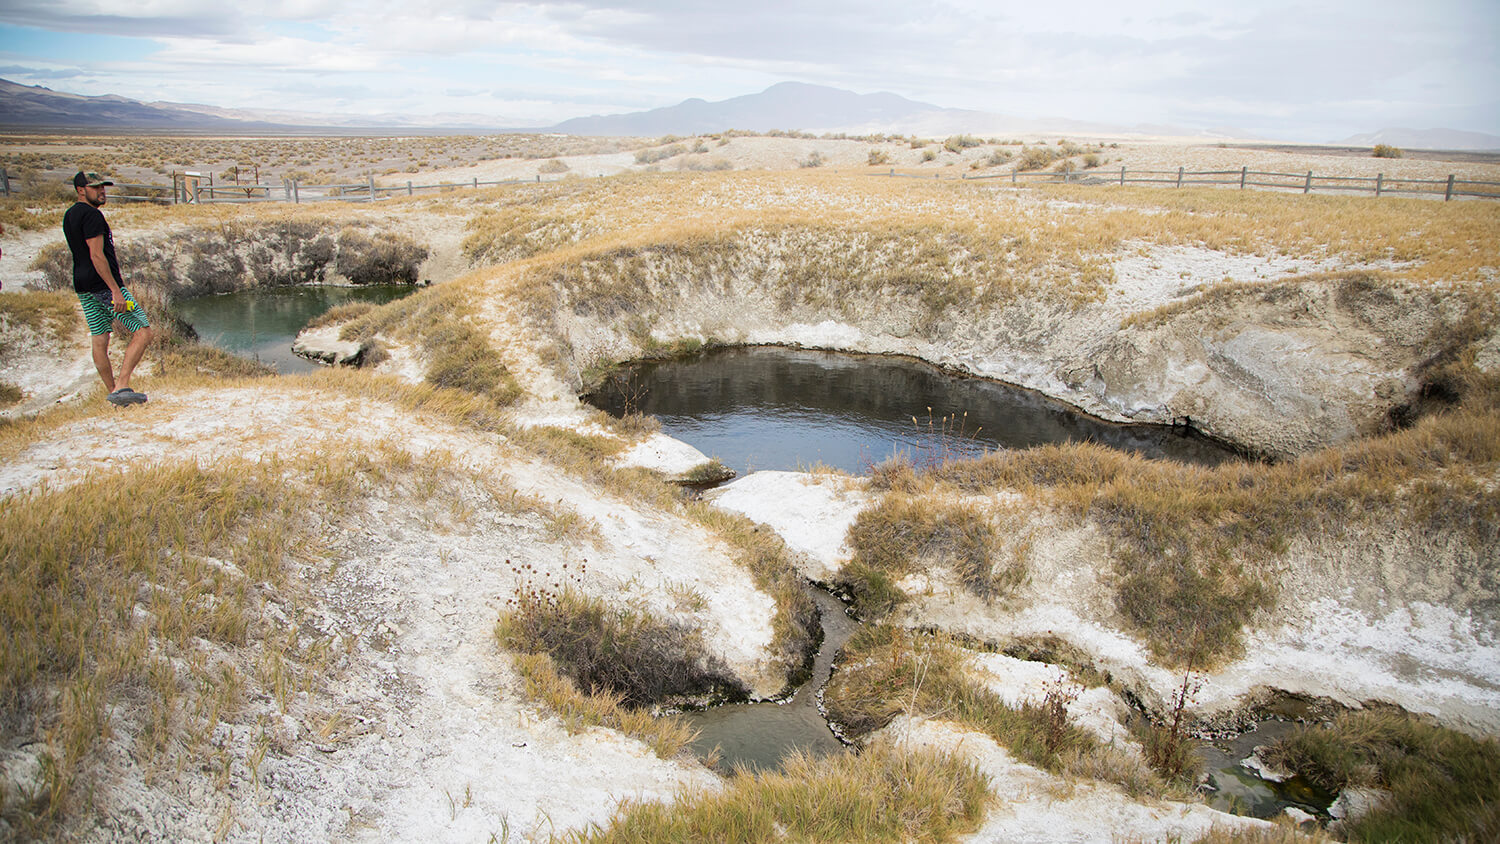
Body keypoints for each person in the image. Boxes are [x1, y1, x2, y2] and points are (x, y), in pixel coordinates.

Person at [63, 171, 154, 406]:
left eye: (102, 187)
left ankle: (114, 394)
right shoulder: (92, 216)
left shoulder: (70, 214)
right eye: (95, 188)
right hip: (102, 285)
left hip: (82, 285)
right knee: (143, 331)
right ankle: (122, 385)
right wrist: (114, 289)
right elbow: (96, 255)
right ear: (81, 190)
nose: (101, 191)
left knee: (100, 336)